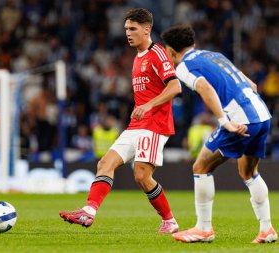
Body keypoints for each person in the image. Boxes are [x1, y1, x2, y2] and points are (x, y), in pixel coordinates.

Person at [59, 8, 182, 233]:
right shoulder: (137, 57)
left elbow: (175, 86)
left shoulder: (158, 53)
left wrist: (148, 105)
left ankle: (169, 221)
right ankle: (88, 212)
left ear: (147, 30)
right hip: (137, 125)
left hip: (155, 125)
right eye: (126, 29)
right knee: (105, 163)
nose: (128, 33)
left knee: (142, 176)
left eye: (133, 29)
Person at [161, 25, 277, 243]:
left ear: (171, 51)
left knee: (201, 167)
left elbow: (205, 88)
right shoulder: (215, 55)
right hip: (262, 115)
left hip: (241, 120)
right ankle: (267, 229)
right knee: (248, 172)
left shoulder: (183, 66)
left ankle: (203, 229)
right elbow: (250, 84)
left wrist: (226, 121)